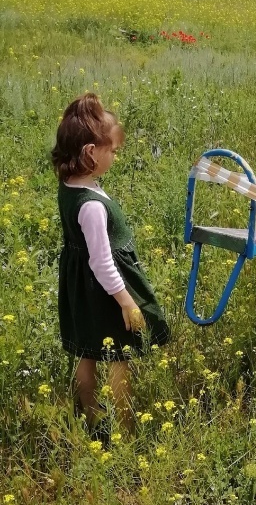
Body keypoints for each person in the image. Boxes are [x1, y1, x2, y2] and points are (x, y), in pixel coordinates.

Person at [53, 93, 170, 435]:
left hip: (81, 286)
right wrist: (127, 302)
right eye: (113, 151)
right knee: (120, 357)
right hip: (105, 290)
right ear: (91, 153)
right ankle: (125, 428)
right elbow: (103, 262)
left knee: (86, 350)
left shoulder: (71, 186)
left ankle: (91, 419)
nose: (116, 157)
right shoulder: (91, 205)